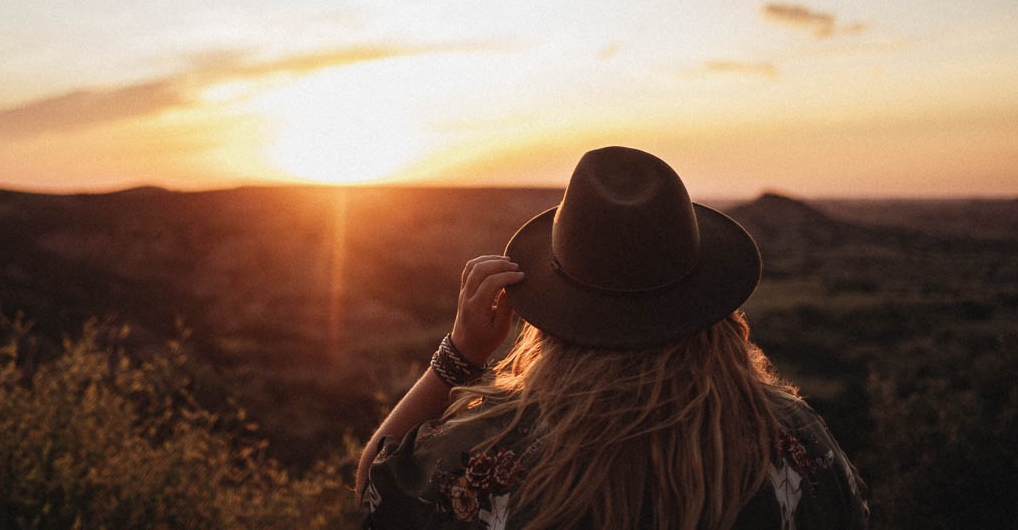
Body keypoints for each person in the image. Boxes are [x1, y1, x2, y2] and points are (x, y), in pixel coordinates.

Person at [356, 146, 868, 529]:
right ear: (708, 300)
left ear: (557, 305)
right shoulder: (793, 440)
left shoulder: (491, 454)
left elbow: (375, 492)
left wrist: (460, 354)